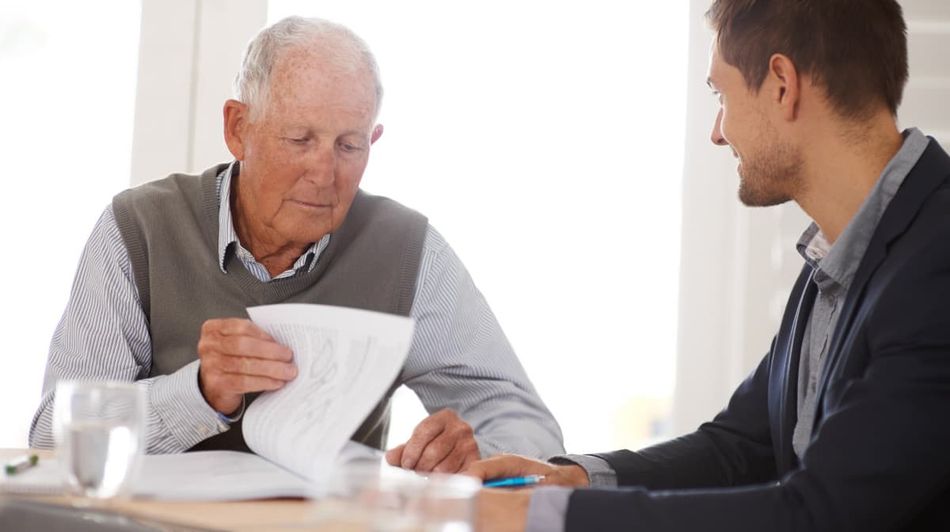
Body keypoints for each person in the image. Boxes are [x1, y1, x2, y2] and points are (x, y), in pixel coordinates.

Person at [467, 0, 950, 529]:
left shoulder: (936, 261)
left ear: (782, 85)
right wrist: (575, 480)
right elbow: (738, 446)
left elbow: (822, 514)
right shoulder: (840, 256)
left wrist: (550, 516)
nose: (717, 132)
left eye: (721, 95)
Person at [29, 16, 563, 473]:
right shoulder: (139, 227)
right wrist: (200, 393)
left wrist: (476, 453)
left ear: (373, 141)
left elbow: (524, 425)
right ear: (238, 128)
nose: (324, 174)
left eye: (349, 145)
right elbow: (55, 436)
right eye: (299, 140)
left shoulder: (407, 249)